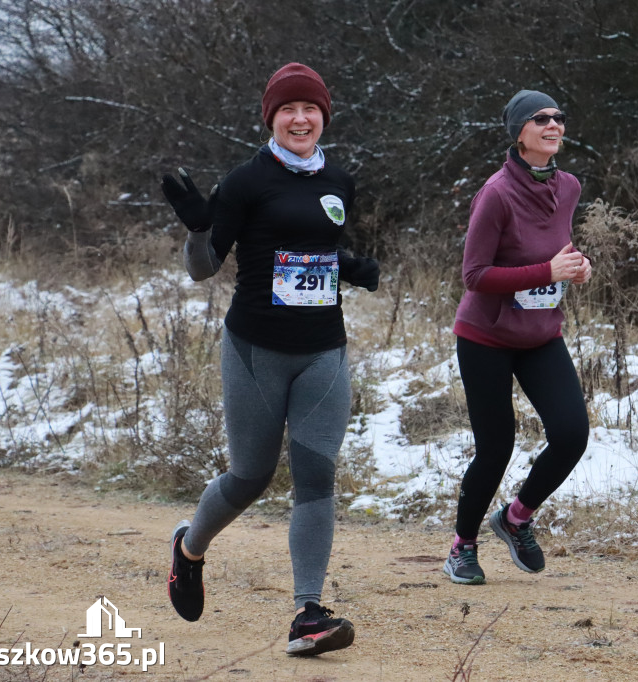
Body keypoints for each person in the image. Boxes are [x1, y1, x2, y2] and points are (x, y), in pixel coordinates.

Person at [160, 62, 379, 655]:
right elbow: (203, 268)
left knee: (316, 474)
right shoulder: (245, 181)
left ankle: (308, 613)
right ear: (272, 119)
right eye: (288, 110)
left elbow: (315, 244)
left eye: (310, 109)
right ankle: (189, 548)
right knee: (250, 476)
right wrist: (200, 229)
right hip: (256, 349)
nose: (300, 118)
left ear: (323, 117)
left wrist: (350, 267)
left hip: (323, 351)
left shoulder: (340, 180)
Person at [444, 90, 592, 585]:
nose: (553, 125)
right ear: (519, 132)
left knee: (572, 433)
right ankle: (462, 547)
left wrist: (575, 266)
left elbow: (557, 247)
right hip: (485, 336)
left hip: (540, 333)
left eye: (558, 118)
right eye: (540, 119)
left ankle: (515, 518)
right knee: (496, 447)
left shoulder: (567, 186)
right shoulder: (496, 194)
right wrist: (545, 270)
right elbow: (474, 274)